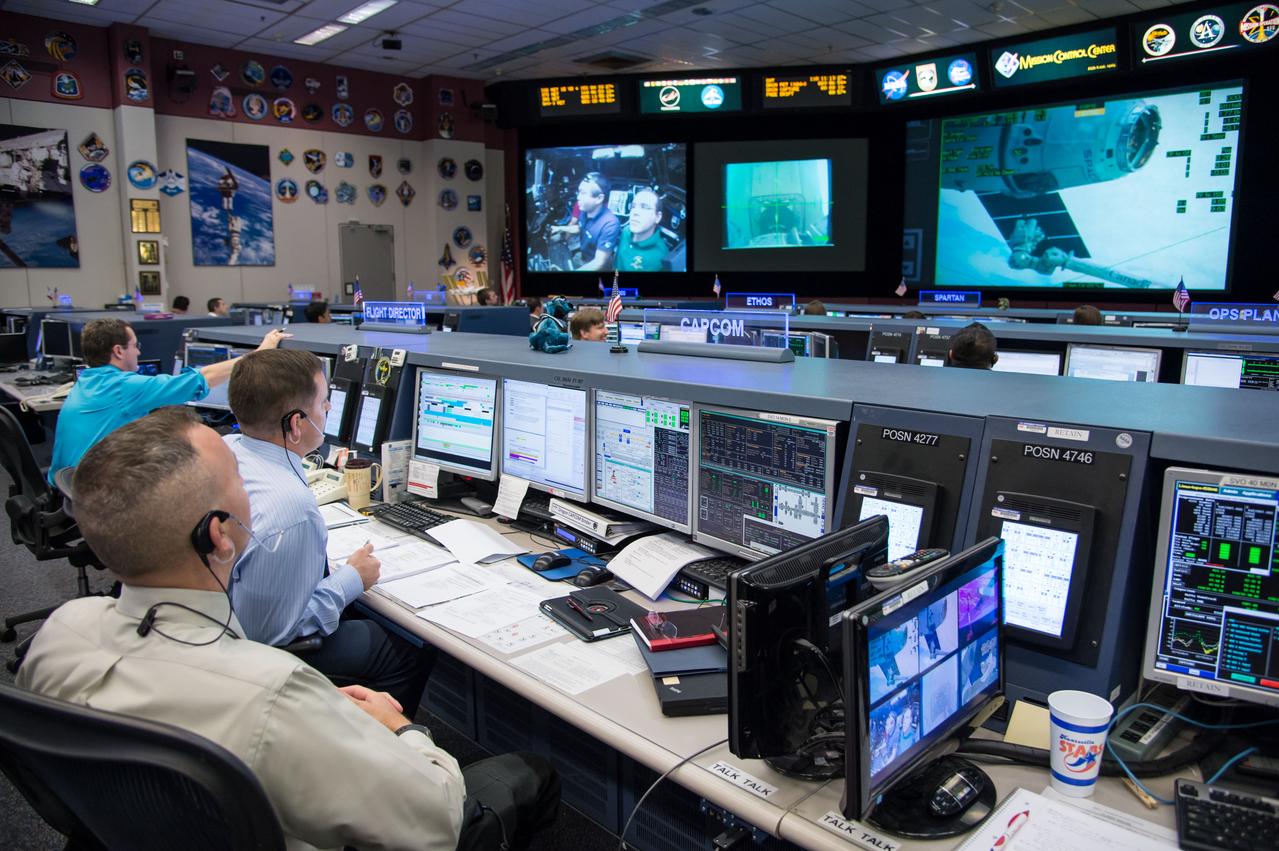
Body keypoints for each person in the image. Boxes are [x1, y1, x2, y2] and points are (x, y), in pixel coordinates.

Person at [18, 408, 560, 850]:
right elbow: (437, 822)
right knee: (529, 774)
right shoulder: (269, 690)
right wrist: (400, 731)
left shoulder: (62, 631)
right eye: (239, 480)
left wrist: (320, 711)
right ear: (219, 537)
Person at [224, 349, 432, 711]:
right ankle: (384, 749)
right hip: (259, 661)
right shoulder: (292, 509)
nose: (330, 411)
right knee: (409, 646)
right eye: (324, 403)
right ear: (296, 424)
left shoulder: (229, 450)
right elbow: (275, 634)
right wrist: (352, 577)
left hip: (220, 631)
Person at [47, 318, 287, 483]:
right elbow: (200, 379)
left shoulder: (87, 381)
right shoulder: (121, 387)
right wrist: (259, 354)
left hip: (71, 483)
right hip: (95, 490)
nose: (138, 352)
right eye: (135, 346)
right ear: (119, 351)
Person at [568, 173, 618, 272]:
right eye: (579, 192)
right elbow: (581, 228)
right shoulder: (585, 210)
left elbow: (598, 263)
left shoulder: (610, 224)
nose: (578, 197)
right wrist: (560, 228)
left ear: (599, 198)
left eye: (583, 193)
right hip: (583, 257)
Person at [615, 188, 667, 272]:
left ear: (658, 217)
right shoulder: (626, 232)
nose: (635, 212)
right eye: (633, 206)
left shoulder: (661, 257)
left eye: (645, 207)